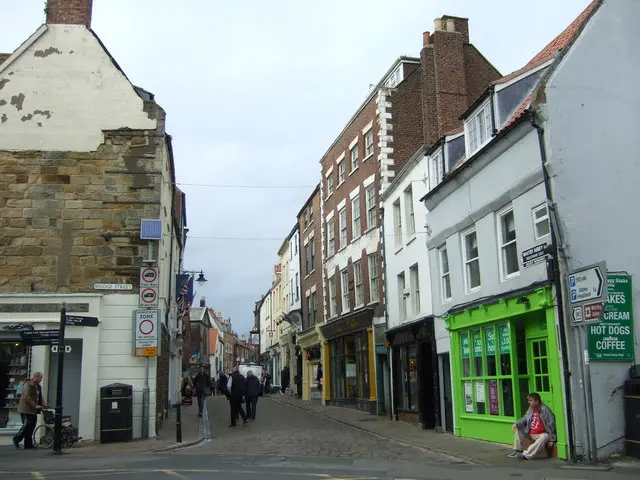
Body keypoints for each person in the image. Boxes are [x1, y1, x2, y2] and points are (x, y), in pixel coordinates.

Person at [509, 392, 556, 460]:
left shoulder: (545, 410)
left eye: (531, 400)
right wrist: (516, 424)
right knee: (519, 429)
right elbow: (525, 418)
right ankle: (517, 450)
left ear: (537, 401)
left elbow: (551, 423)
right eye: (529, 400)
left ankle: (526, 455)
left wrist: (552, 439)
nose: (529, 402)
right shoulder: (531, 409)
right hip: (530, 433)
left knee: (544, 436)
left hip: (541, 434)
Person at [13, 372, 46, 449]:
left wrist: (44, 405)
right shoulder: (28, 385)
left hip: (33, 410)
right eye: (40, 378)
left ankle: (28, 445)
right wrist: (35, 406)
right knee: (27, 426)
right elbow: (26, 397)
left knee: (31, 426)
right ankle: (17, 438)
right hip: (26, 409)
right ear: (36, 377)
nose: (41, 380)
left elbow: (40, 397)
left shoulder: (38, 386)